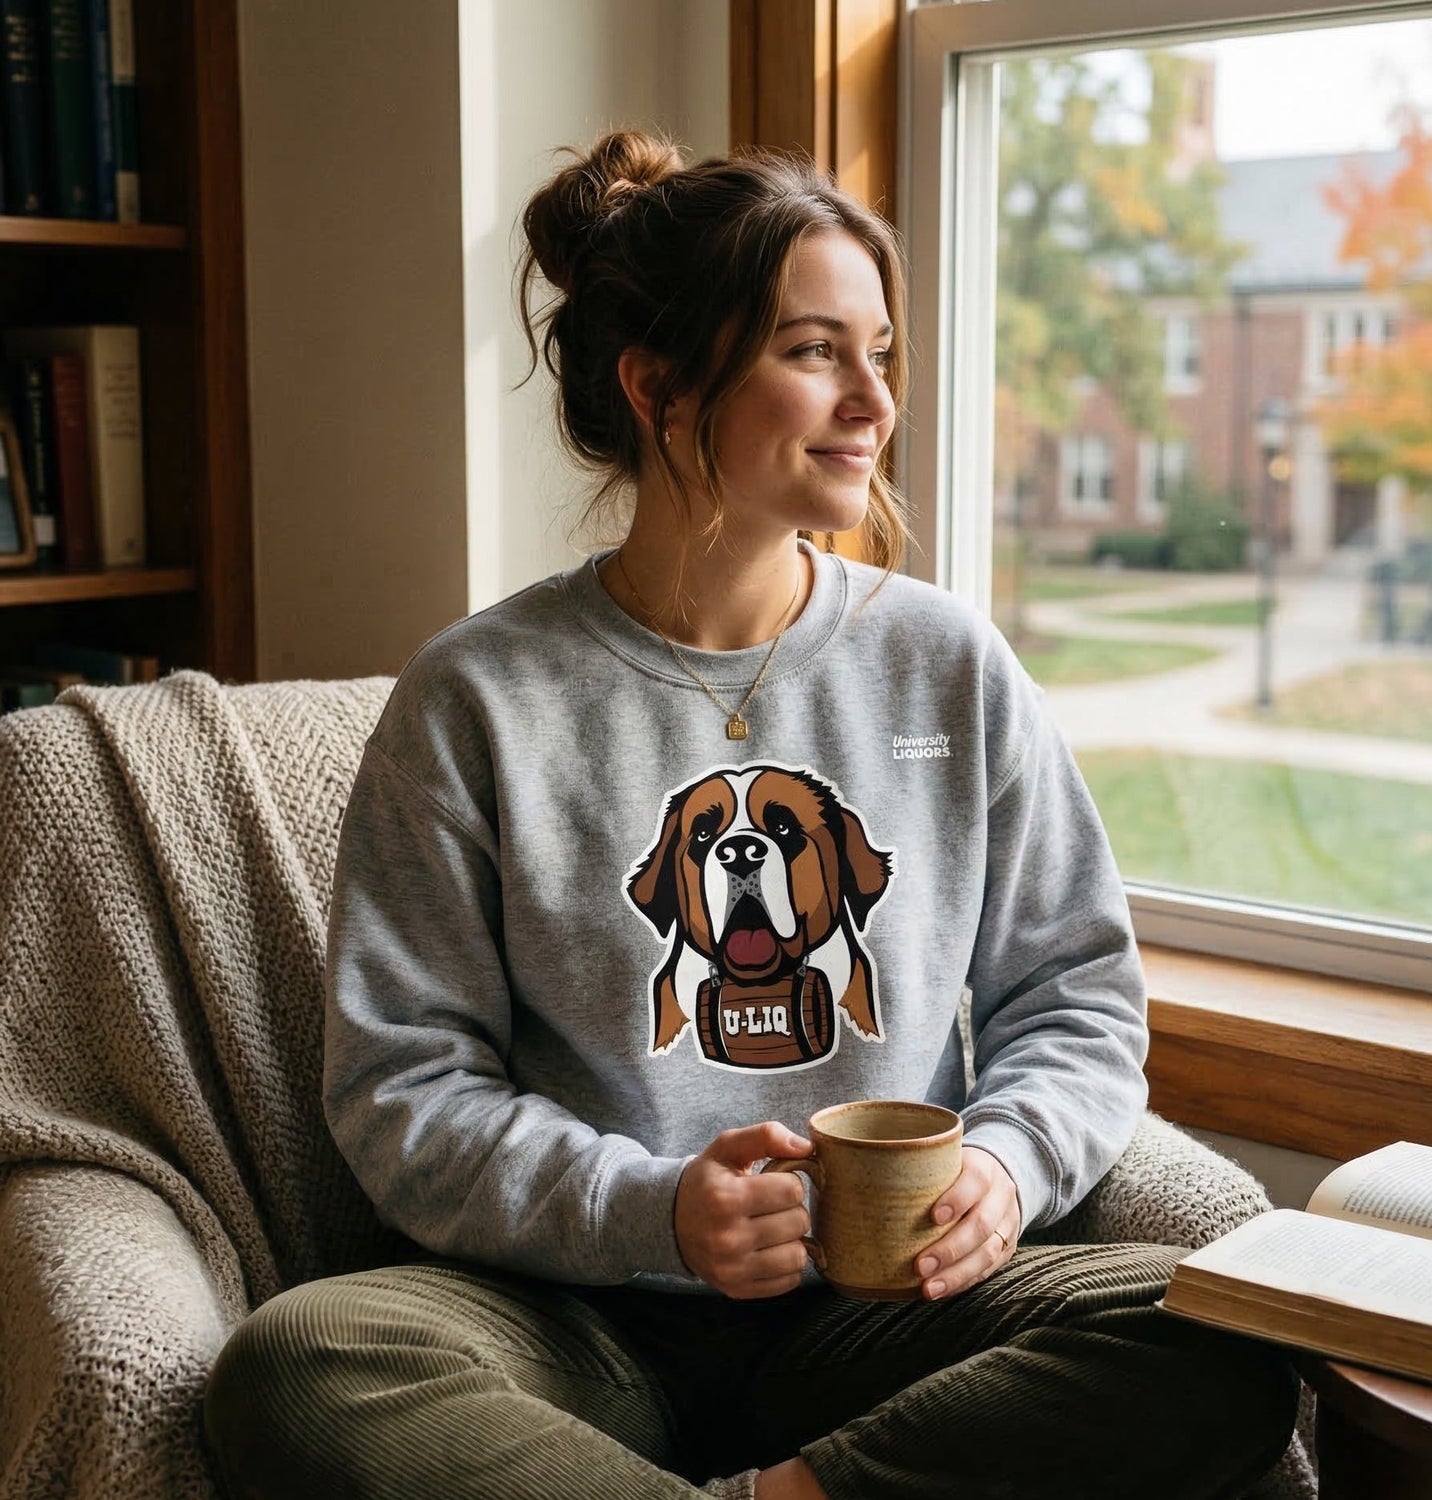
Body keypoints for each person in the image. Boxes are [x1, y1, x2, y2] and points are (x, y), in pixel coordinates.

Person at [203, 131, 1298, 1500]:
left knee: (1227, 1330)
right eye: (814, 352)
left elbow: (1075, 996)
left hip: (885, 1310)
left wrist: (1010, 1166)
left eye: (879, 353)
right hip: (579, 1317)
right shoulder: (476, 697)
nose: (873, 402)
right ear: (658, 384)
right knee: (300, 1364)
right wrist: (658, 1210)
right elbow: (401, 1090)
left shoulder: (948, 668)